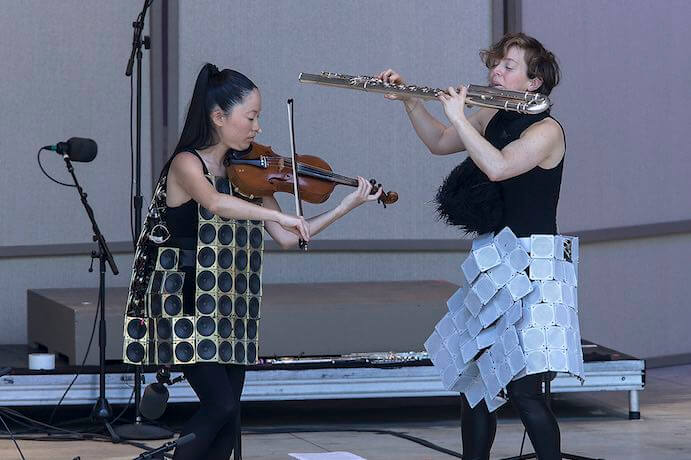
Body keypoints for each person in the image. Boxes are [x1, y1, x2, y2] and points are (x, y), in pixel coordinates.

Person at [127, 63, 382, 460]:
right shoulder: (186, 164)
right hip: (184, 301)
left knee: (230, 420)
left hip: (231, 303)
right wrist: (277, 213)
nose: (257, 127)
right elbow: (215, 203)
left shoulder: (249, 173)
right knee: (221, 406)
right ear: (218, 117)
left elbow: (288, 236)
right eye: (251, 116)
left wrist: (346, 204)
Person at [378, 33, 566, 460]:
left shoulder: (547, 130)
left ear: (533, 82)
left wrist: (461, 116)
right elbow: (440, 142)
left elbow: (499, 167)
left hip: (534, 265)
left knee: (525, 391)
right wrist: (410, 100)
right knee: (477, 381)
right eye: (495, 65)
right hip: (494, 259)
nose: (495, 73)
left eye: (508, 67)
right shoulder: (489, 112)